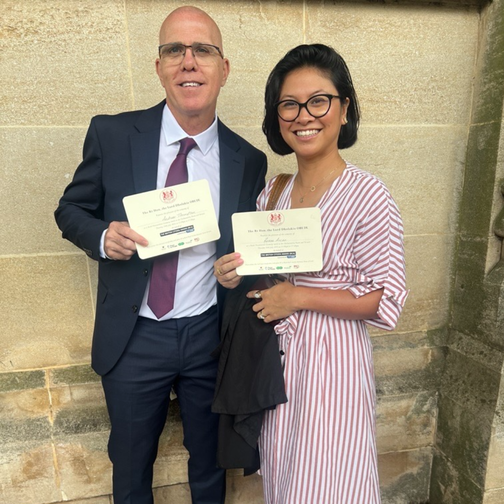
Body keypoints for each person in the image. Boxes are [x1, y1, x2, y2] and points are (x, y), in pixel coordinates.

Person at [55, 6, 266, 504]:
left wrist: (238, 272)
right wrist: (102, 237)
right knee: (130, 469)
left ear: (223, 69)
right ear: (159, 67)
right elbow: (70, 209)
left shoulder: (248, 160)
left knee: (211, 466)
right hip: (134, 336)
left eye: (203, 51)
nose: (188, 62)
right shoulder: (112, 135)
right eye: (175, 50)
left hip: (209, 336)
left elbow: (246, 246)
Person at [214, 44, 408, 503]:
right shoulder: (274, 192)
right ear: (277, 116)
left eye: (318, 101)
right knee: (284, 481)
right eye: (289, 104)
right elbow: (264, 274)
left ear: (344, 108)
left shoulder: (368, 195)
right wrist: (234, 273)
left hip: (332, 364)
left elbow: (385, 298)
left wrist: (299, 298)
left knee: (328, 483)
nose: (304, 116)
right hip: (276, 363)